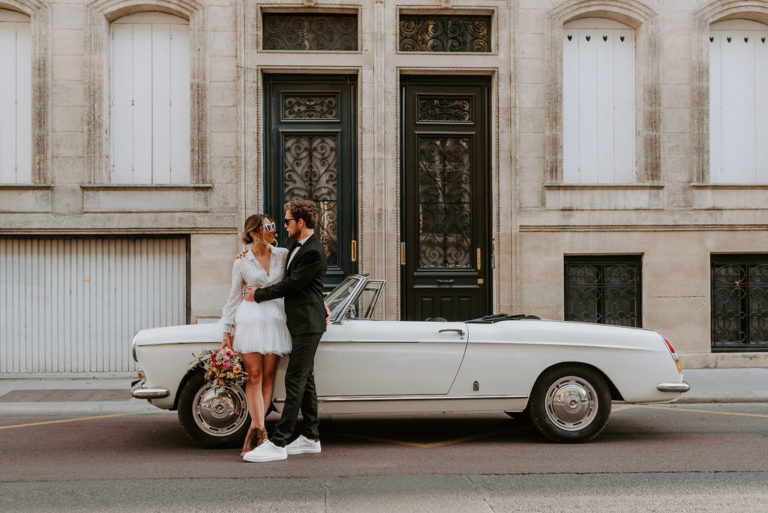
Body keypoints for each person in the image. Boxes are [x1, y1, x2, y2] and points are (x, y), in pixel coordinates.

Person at [241, 199, 328, 463]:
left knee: (295, 380)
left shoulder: (312, 250)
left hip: (308, 324)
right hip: (301, 322)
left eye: (288, 221)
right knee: (307, 380)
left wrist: (258, 295)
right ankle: (311, 437)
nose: (283, 226)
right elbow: (280, 263)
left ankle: (278, 442)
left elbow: (292, 284)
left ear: (300, 222)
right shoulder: (295, 246)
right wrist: (244, 255)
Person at [219, 213, 291, 456]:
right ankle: (262, 430)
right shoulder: (241, 262)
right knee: (254, 376)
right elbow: (234, 297)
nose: (273, 230)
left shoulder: (282, 254)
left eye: (272, 226)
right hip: (250, 320)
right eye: (267, 227)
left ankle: (255, 429)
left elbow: (297, 283)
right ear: (253, 232)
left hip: (275, 321)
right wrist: (227, 330)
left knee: (269, 375)